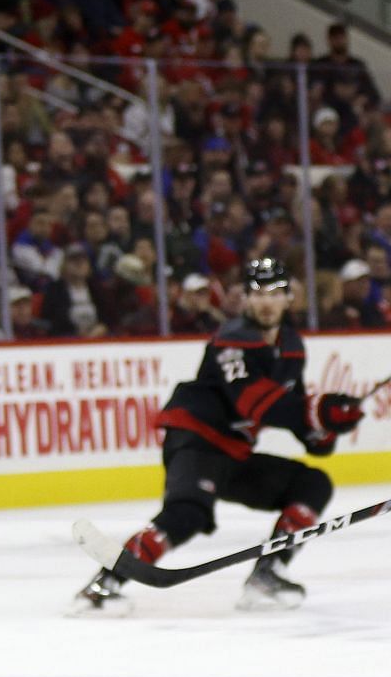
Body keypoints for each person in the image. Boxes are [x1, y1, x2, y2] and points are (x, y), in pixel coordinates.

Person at [73, 258, 365, 615]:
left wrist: (328, 428)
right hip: (197, 440)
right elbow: (254, 401)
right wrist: (320, 411)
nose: (266, 302)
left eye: (275, 293)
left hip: (234, 454)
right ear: (244, 298)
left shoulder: (291, 346)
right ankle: (103, 585)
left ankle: (267, 572)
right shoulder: (233, 340)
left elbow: (301, 419)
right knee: (189, 513)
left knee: (312, 484)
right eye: (258, 293)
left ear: (290, 297)